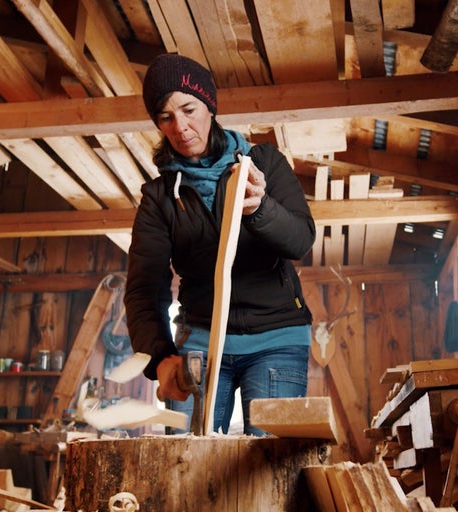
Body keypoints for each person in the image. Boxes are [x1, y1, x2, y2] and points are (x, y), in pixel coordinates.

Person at [124, 53, 315, 435]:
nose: (181, 127)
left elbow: (300, 241)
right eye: (165, 117)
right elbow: (144, 289)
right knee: (188, 471)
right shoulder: (160, 197)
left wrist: (261, 208)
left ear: (209, 105)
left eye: (189, 109)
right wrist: (161, 358)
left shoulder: (265, 164)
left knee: (272, 469)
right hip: (200, 344)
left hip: (277, 339)